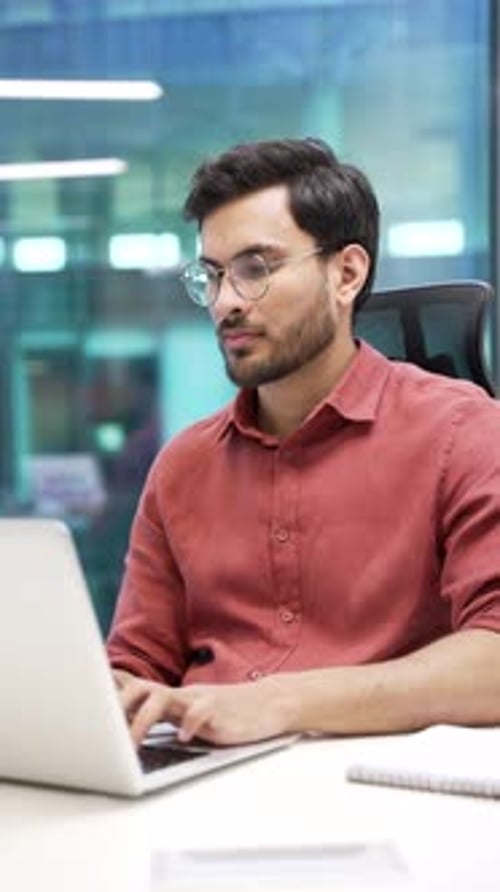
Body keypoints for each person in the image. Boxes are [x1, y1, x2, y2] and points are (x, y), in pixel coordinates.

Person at [107, 137, 500, 749]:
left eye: (255, 269)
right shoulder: (183, 466)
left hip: (370, 788)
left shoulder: (465, 433)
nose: (226, 302)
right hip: (199, 784)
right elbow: (135, 667)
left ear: (346, 274)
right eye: (210, 276)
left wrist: (277, 702)